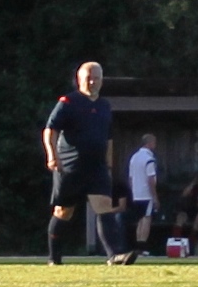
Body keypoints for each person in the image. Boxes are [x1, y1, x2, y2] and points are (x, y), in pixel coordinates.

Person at [42, 61, 135, 267]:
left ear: (102, 80)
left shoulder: (104, 105)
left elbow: (108, 137)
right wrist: (52, 155)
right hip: (70, 167)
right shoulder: (68, 102)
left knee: (104, 207)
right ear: (79, 80)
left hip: (97, 168)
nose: (92, 82)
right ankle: (54, 258)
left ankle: (115, 255)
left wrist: (109, 165)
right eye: (88, 78)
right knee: (63, 212)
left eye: (97, 78)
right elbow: (50, 129)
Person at [126, 133, 160, 254]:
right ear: (149, 143)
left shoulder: (134, 157)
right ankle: (142, 247)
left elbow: (130, 178)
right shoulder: (149, 159)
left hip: (136, 194)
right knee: (146, 219)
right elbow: (151, 180)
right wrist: (155, 197)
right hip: (146, 194)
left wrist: (133, 191)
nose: (155, 145)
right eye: (154, 143)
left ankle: (137, 246)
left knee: (140, 220)